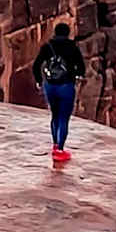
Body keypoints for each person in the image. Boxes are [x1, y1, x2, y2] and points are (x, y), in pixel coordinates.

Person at [32, 24, 85, 162]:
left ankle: (55, 145)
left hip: (50, 86)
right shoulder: (72, 47)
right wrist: (78, 76)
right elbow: (81, 66)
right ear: (68, 33)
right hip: (66, 86)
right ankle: (60, 150)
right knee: (63, 117)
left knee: (54, 115)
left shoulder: (47, 46)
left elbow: (36, 65)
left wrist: (39, 81)